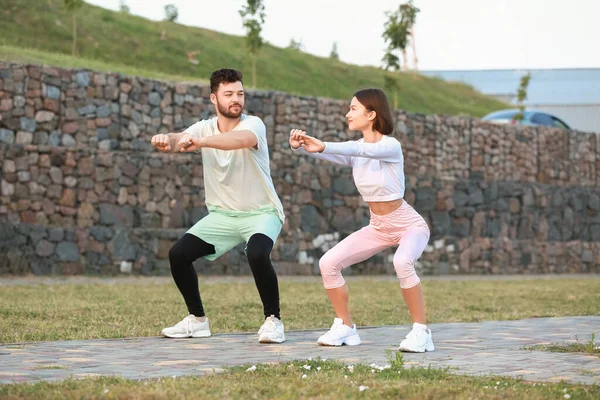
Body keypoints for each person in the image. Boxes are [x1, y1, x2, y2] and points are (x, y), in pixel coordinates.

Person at [289, 88, 434, 352]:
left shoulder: (390, 146)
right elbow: (324, 151)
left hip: (408, 224)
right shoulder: (357, 151)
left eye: (353, 108)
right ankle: (345, 327)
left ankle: (421, 332)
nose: (348, 113)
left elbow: (360, 150)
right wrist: (302, 146)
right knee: (328, 263)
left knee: (402, 262)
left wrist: (322, 145)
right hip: (377, 227)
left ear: (372, 114)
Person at [150, 69, 285, 343]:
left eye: (240, 93)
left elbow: (238, 141)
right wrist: (165, 139)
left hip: (261, 213)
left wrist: (201, 142)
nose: (237, 99)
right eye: (229, 94)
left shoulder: (254, 124)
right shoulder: (203, 127)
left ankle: (273, 321)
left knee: (258, 254)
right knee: (178, 254)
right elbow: (180, 140)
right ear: (214, 98)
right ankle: (197, 320)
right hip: (223, 217)